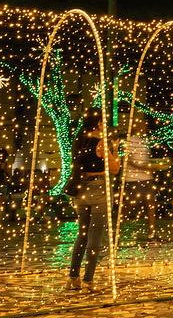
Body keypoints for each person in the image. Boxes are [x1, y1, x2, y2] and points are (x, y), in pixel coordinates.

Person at [65, 108, 120, 292]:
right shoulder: (101, 143)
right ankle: (88, 280)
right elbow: (114, 169)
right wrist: (116, 151)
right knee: (95, 239)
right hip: (99, 190)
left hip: (81, 191)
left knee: (82, 235)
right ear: (98, 124)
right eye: (103, 122)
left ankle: (73, 277)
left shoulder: (78, 141)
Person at [124, 116, 158, 240]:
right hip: (133, 179)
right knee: (129, 207)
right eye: (142, 124)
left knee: (151, 204)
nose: (144, 127)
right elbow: (127, 160)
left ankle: (152, 233)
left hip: (147, 178)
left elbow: (146, 159)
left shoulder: (145, 141)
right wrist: (142, 167)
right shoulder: (130, 141)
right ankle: (116, 230)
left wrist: (151, 166)